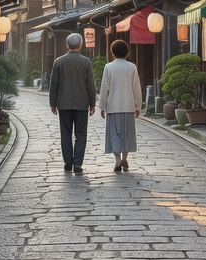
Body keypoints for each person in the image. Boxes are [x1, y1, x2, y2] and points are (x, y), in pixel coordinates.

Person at [49, 32, 96, 173]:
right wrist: (92, 103)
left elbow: (54, 84)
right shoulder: (86, 62)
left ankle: (68, 163)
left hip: (63, 104)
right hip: (81, 104)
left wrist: (53, 103)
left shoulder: (59, 61)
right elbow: (91, 85)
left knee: (66, 134)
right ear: (80, 45)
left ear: (67, 45)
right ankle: (78, 163)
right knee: (81, 134)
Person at [98, 39, 142, 173]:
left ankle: (117, 159)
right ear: (127, 53)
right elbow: (136, 88)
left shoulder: (108, 67)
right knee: (127, 134)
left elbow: (104, 88)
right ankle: (125, 158)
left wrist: (102, 106)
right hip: (128, 106)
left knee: (114, 134)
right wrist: (138, 106)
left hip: (113, 106)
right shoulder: (132, 67)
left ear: (112, 53)